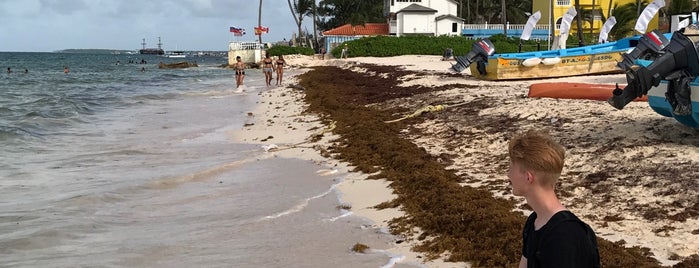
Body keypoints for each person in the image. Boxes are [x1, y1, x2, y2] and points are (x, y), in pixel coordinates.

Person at [508, 130, 600, 268]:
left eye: (511, 168)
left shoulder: (566, 235)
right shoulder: (534, 221)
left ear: (528, 177)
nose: (508, 175)